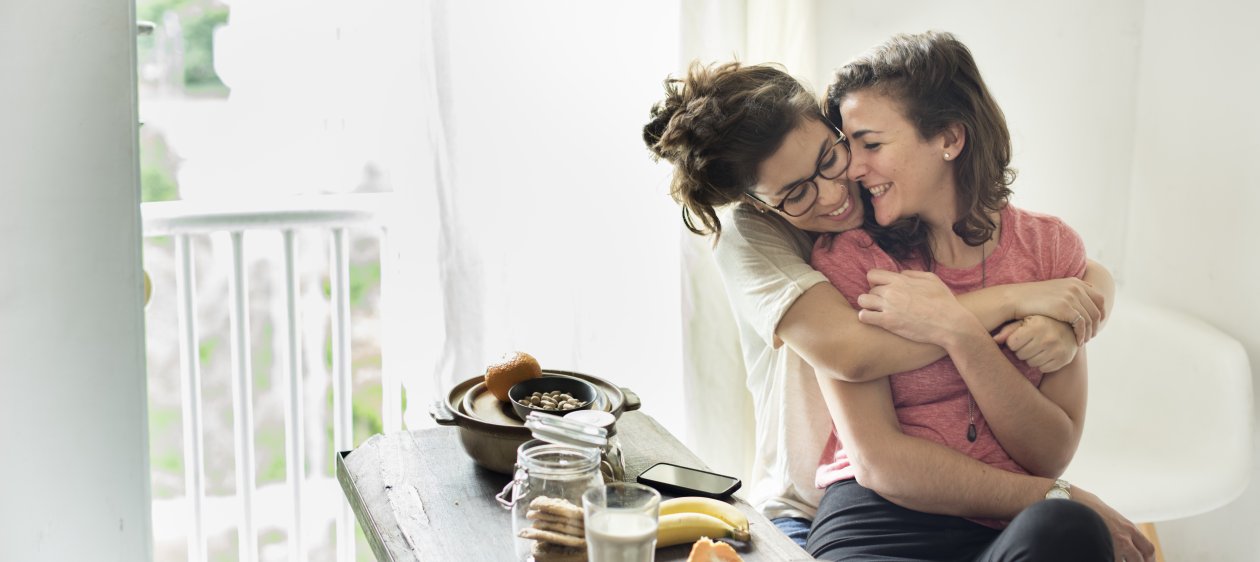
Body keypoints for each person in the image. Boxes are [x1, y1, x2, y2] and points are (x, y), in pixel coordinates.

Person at [641, 57, 1141, 557]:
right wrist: (993, 309)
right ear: (760, 204)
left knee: (1064, 531)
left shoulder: (884, 191)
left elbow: (1076, 273)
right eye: (795, 194)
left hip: (988, 510)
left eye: (833, 158)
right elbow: (852, 354)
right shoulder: (759, 238)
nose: (836, 192)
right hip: (813, 502)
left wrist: (1069, 318)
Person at [802, 31, 1155, 561]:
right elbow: (881, 465)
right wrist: (1056, 495)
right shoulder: (852, 257)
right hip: (879, 520)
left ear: (949, 138)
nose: (853, 168)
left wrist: (958, 329)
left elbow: (1049, 453)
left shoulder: (1049, 250)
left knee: (1065, 529)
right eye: (849, 146)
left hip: (1008, 526)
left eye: (871, 144)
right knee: (1064, 509)